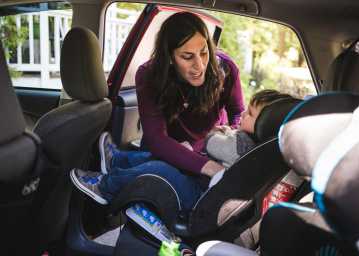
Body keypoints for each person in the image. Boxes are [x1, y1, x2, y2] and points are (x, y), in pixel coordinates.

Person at [70, 12, 245, 211]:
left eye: (204, 52)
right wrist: (208, 166)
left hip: (208, 146)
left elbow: (239, 113)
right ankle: (117, 162)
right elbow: (156, 139)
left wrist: (229, 137)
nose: (199, 65)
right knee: (166, 159)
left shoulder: (226, 70)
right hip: (168, 145)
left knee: (169, 164)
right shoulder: (149, 75)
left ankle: (117, 163)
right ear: (169, 57)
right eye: (187, 57)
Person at [204, 89, 295, 167]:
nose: (243, 114)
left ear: (264, 126)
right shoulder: (264, 149)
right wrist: (228, 131)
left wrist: (214, 133)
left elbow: (210, 143)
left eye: (250, 114)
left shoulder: (241, 146)